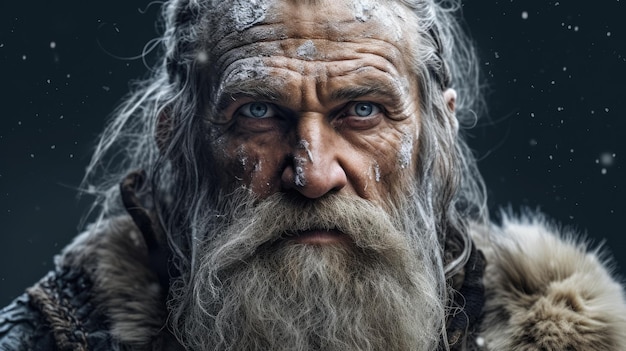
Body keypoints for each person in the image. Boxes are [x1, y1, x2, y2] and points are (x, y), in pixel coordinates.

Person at [1, 0, 625, 350]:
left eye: (363, 110)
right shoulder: (56, 338)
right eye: (257, 114)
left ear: (441, 131)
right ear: (178, 137)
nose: (314, 174)